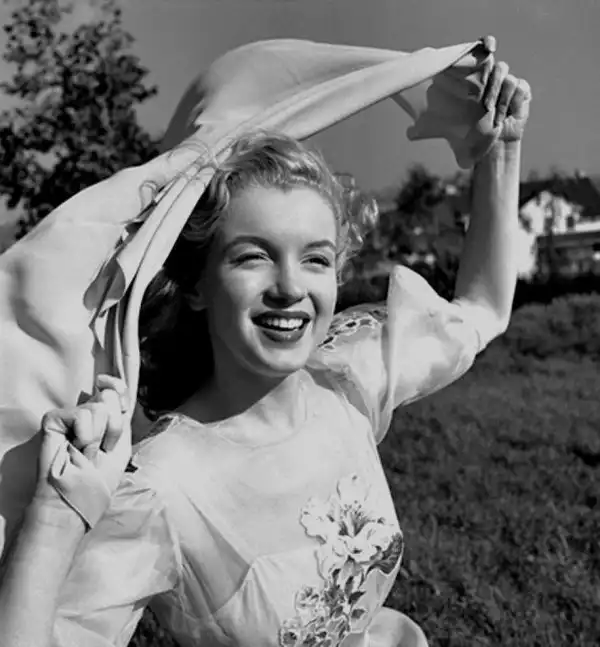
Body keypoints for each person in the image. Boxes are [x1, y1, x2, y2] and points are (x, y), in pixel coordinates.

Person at [0, 46, 530, 647]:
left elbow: (480, 309)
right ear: (196, 285)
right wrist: (54, 516)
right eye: (253, 256)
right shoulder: (164, 488)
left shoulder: (348, 380)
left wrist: (502, 151)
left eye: (315, 259)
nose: (289, 288)